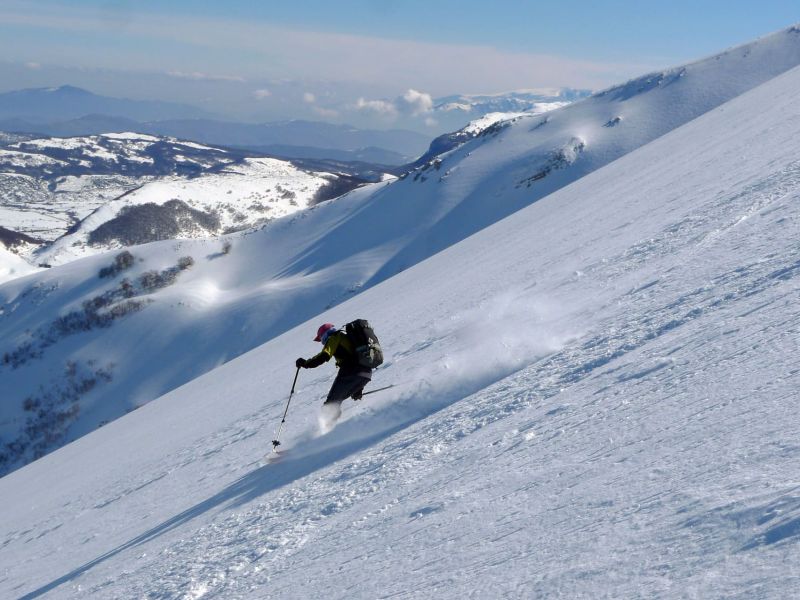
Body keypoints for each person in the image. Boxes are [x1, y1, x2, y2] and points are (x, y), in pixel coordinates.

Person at [296, 323, 371, 428]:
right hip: (366, 374)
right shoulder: (346, 337)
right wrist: (357, 390)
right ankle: (334, 428)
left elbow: (324, 356)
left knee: (330, 405)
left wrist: (305, 363)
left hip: (349, 372)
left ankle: (327, 432)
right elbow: (356, 358)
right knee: (336, 401)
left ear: (325, 335)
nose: (322, 342)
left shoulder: (334, 337)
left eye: (321, 339)